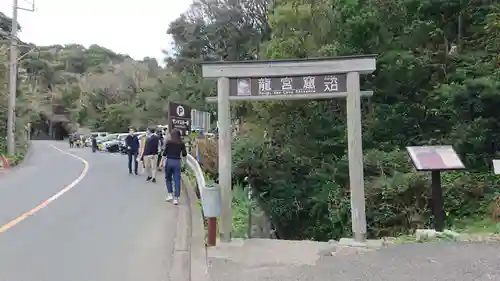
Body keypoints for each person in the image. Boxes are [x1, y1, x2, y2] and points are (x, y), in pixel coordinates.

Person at [161, 129, 187, 205]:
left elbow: (164, 153)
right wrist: (183, 162)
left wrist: (161, 162)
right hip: (177, 162)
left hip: (169, 161)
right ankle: (176, 198)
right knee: (177, 180)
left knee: (168, 178)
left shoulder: (169, 142)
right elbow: (184, 154)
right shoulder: (181, 143)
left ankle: (170, 194)